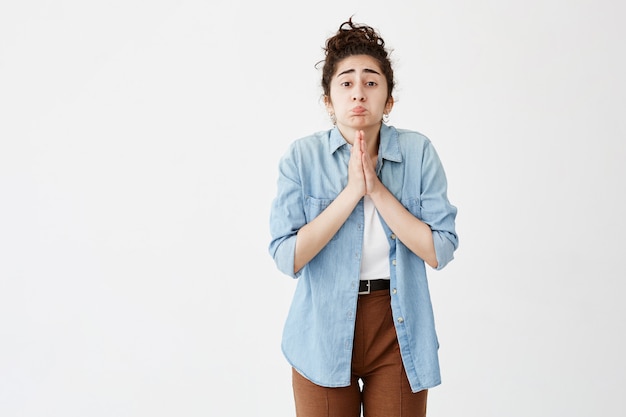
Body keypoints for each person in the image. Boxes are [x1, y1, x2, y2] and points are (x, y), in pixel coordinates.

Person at [268, 17, 458, 417]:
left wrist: (376, 189)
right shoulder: (301, 159)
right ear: (328, 100)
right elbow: (288, 256)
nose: (359, 93)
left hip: (397, 327)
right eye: (346, 83)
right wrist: (353, 191)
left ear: (388, 100)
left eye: (371, 83)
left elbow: (440, 249)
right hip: (320, 331)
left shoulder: (418, 152)